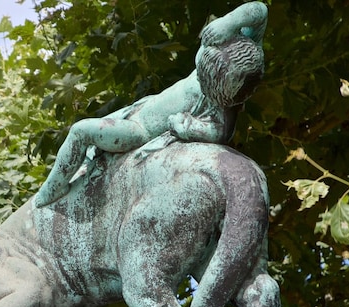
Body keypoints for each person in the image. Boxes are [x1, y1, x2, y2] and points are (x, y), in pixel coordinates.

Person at [34, 2, 268, 207]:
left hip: (138, 130)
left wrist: (186, 126)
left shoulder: (223, 99)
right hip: (141, 107)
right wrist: (229, 22)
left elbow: (219, 132)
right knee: (88, 146)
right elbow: (260, 10)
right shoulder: (237, 47)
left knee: (81, 131)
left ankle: (54, 189)